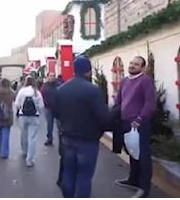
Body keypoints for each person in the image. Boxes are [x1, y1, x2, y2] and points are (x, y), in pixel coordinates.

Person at [54, 56, 111, 198]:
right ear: (89, 71)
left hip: (67, 137)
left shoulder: (61, 89)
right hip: (88, 140)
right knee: (84, 177)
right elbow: (103, 117)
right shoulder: (93, 90)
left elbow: (56, 113)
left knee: (69, 173)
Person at [113, 56, 156, 198]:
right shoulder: (125, 81)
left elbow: (150, 103)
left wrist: (140, 118)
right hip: (125, 123)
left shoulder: (145, 81)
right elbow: (119, 100)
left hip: (139, 124)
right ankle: (133, 180)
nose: (132, 66)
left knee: (143, 156)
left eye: (136, 64)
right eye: (131, 63)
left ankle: (144, 188)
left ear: (142, 68)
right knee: (132, 153)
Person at [15, 76, 44, 167]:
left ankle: (24, 151)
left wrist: (20, 108)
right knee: (32, 137)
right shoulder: (37, 92)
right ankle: (30, 159)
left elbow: (17, 104)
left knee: (23, 134)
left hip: (23, 116)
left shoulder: (22, 91)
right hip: (34, 116)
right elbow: (41, 105)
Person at [0, 78, 15, 159]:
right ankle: (4, 152)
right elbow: (15, 100)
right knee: (6, 133)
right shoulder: (11, 93)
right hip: (8, 115)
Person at [41, 72, 58, 146]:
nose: (52, 77)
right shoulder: (44, 86)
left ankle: (62, 138)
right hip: (48, 108)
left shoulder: (58, 85)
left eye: (53, 76)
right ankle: (49, 138)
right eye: (50, 76)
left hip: (58, 108)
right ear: (47, 77)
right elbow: (41, 96)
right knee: (49, 124)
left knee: (60, 124)